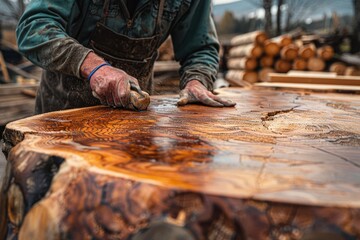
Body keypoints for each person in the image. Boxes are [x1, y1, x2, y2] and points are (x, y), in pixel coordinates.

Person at [16, 0, 236, 114]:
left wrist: (196, 80)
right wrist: (94, 67)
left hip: (135, 122)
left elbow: (200, 48)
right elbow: (34, 27)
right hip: (61, 117)